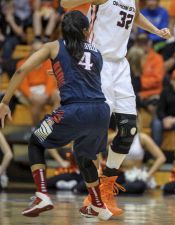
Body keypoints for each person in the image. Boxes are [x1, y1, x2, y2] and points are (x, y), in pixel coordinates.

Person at [60, 0, 171, 216]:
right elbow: (66, 3)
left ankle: (107, 186)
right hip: (96, 62)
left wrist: (156, 30)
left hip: (121, 65)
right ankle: (93, 193)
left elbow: (135, 16)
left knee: (129, 129)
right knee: (95, 129)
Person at [0, 11, 113, 220]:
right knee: (84, 156)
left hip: (74, 109)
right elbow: (85, 74)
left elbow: (21, 70)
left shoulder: (54, 46)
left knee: (36, 141)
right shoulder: (96, 52)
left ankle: (42, 195)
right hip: (100, 111)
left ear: (62, 30)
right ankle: (98, 205)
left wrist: (5, 102)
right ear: (86, 31)